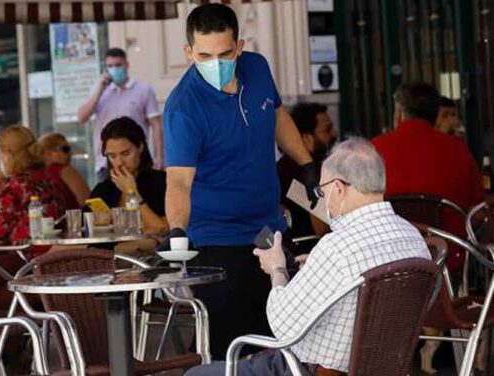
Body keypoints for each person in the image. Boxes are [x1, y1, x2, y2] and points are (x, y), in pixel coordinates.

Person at [186, 138, 431, 376]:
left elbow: (283, 326)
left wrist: (277, 269)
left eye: (321, 191)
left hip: (308, 370)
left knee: (196, 374)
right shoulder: (413, 238)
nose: (322, 199)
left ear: (338, 188)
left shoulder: (338, 246)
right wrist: (315, 269)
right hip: (386, 366)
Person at [162, 4, 319, 360]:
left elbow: (277, 116)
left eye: (223, 53)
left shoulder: (257, 68)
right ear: (189, 52)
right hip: (216, 240)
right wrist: (176, 229)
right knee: (232, 348)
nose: (214, 63)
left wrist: (307, 164)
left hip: (269, 232)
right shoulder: (183, 108)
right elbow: (178, 183)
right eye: (203, 55)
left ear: (239, 47)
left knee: (286, 337)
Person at [371, 82, 484, 272]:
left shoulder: (373, 150)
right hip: (447, 264)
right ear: (434, 115)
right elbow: (478, 213)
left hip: (388, 266)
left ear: (398, 113)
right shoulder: (457, 149)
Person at [0, 125, 62, 311]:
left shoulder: (15, 187)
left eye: (1, 153)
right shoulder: (44, 179)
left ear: (9, 154)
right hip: (50, 260)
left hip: (24, 260)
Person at [77, 47, 164, 181]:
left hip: (136, 161)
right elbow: (82, 117)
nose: (115, 69)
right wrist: (100, 90)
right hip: (106, 162)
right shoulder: (99, 90)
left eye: (118, 65)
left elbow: (156, 124)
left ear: (126, 65)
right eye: (110, 66)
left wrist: (159, 157)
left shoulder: (143, 90)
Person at [90, 117, 168, 234]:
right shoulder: (102, 190)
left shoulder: (162, 182)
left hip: (150, 251)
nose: (120, 162)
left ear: (140, 147)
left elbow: (161, 229)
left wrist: (131, 192)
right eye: (112, 156)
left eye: (125, 154)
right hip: (107, 251)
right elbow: (87, 231)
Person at [277, 103, 335, 239]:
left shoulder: (284, 167)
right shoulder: (294, 171)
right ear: (306, 139)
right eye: (327, 130)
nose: (334, 134)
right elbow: (321, 227)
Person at [38, 132, 90, 209]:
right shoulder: (65, 170)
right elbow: (87, 200)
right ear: (49, 153)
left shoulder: (35, 174)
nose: (71, 154)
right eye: (66, 149)